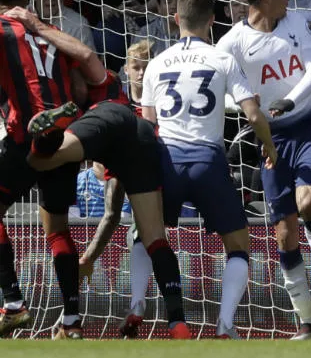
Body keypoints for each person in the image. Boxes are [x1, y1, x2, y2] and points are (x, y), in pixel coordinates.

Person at [137, 0, 277, 338]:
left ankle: (137, 304)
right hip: (208, 161)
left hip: (166, 159)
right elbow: (253, 113)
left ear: (175, 19)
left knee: (145, 234)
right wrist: (270, 146)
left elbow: (147, 124)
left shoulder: (156, 63)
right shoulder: (221, 59)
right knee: (239, 244)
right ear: (213, 21)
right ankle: (225, 325)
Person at [216, 0, 311, 339]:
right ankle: (306, 324)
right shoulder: (231, 44)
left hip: (307, 124)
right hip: (271, 139)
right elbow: (221, 93)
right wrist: (249, 107)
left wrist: (288, 99)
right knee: (284, 235)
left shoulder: (295, 23)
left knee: (307, 203)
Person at [25, 104, 192, 338]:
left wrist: (87, 259)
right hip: (145, 142)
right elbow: (112, 215)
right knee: (153, 238)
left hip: (102, 122)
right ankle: (177, 323)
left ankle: (42, 139)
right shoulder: (134, 116)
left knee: (39, 160)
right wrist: (89, 258)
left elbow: (111, 214)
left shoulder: (96, 108)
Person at [0, 0, 84, 339]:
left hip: (24, 135)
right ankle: (71, 320)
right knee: (58, 227)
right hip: (66, 139)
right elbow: (80, 88)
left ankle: (14, 303)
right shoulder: (48, 30)